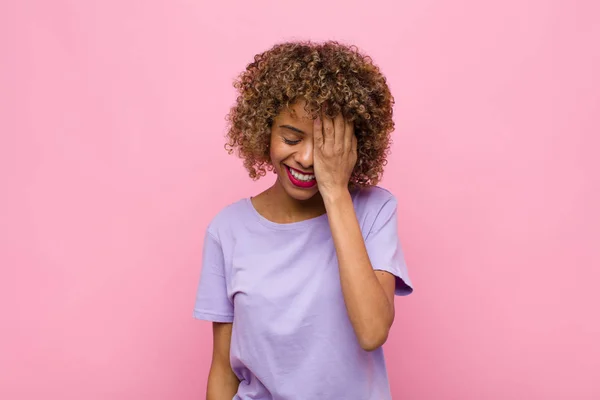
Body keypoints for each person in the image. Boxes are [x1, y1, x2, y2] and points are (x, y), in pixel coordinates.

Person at [193, 40, 413, 400]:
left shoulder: (375, 211)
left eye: (327, 145)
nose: (308, 158)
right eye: (291, 138)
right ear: (264, 129)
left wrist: (336, 191)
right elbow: (222, 365)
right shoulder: (226, 230)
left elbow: (372, 330)